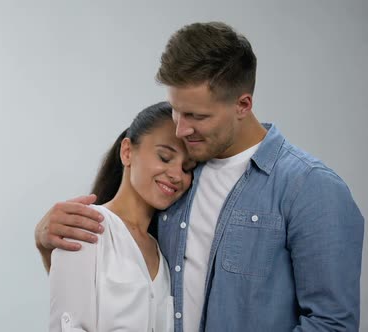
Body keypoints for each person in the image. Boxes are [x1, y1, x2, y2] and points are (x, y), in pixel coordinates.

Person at [35, 22, 364, 331]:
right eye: (177, 110)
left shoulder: (310, 187)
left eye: (197, 116)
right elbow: (108, 292)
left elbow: (331, 323)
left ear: (243, 104)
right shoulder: (178, 179)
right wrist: (46, 243)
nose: (181, 128)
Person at [49, 102, 194, 331]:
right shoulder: (87, 226)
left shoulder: (163, 253)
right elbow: (68, 325)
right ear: (127, 152)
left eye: (187, 168)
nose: (177, 175)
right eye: (165, 157)